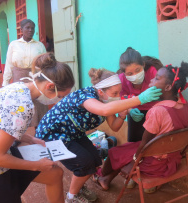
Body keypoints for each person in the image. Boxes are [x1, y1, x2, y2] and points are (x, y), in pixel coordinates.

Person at [35, 68, 162, 203]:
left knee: (95, 160)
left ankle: (79, 187)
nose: (118, 96)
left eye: (119, 92)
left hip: (72, 133)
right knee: (84, 164)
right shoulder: (86, 96)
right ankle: (71, 197)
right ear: (101, 91)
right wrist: (139, 99)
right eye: (115, 93)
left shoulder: (106, 100)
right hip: (54, 134)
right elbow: (104, 110)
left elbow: (114, 127)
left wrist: (123, 114)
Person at [0, 52, 75, 203]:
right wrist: (36, 165)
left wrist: (31, 138)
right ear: (50, 86)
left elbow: (2, 126)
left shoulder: (20, 86)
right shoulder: (24, 106)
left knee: (54, 174)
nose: (59, 100)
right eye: (60, 96)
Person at [93, 62, 188, 192]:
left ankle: (102, 176)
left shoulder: (158, 111)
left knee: (114, 153)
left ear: (167, 87)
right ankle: (105, 179)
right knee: (125, 151)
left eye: (156, 78)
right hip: (173, 159)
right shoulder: (183, 104)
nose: (151, 79)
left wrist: (133, 163)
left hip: (154, 165)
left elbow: (144, 144)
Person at [2, 19, 47, 127]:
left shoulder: (39, 45)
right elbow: (9, 65)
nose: (30, 30)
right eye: (27, 27)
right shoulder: (14, 45)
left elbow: (45, 65)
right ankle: (18, 134)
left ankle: (39, 131)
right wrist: (5, 83)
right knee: (20, 104)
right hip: (19, 78)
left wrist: (45, 80)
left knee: (38, 104)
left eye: (32, 28)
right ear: (21, 30)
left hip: (35, 78)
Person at [118, 47, 163, 142]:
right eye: (130, 73)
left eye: (138, 70)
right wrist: (130, 110)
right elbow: (122, 99)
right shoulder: (121, 79)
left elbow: (164, 91)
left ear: (143, 64)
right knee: (134, 142)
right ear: (124, 73)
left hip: (155, 111)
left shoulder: (152, 72)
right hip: (136, 111)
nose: (135, 75)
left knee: (154, 143)